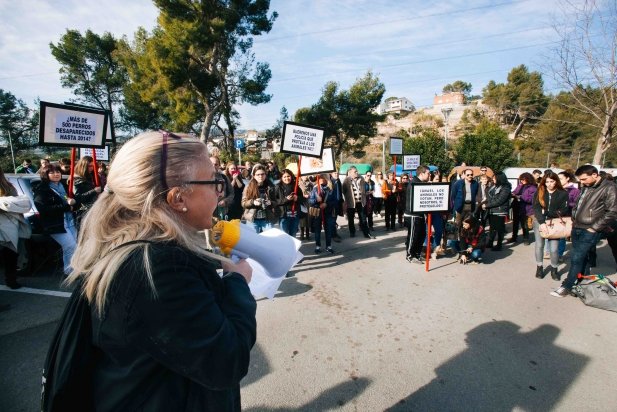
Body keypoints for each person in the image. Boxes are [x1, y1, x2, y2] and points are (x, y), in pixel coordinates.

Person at [62, 131, 255, 411]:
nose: (218, 191)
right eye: (214, 181)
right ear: (178, 199)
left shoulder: (138, 251)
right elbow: (226, 361)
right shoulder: (157, 269)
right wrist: (238, 282)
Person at [552, 165, 617, 297]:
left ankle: (567, 286)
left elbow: (613, 211)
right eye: (580, 180)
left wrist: (594, 228)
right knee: (583, 258)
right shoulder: (586, 186)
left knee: (576, 258)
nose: (581, 182)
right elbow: (579, 204)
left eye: (584, 179)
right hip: (577, 226)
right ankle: (581, 282)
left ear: (595, 175)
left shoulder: (609, 187)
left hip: (591, 229)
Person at [34, 164, 79, 275]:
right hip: (55, 224)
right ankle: (70, 272)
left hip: (69, 221)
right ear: (45, 175)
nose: (56, 174)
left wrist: (74, 202)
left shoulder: (64, 186)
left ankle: (70, 270)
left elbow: (72, 200)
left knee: (73, 247)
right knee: (70, 246)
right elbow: (43, 208)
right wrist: (66, 207)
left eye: (58, 172)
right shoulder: (42, 189)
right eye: (52, 172)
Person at [532, 171, 569, 280]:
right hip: (539, 221)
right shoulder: (539, 191)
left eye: (552, 181)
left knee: (554, 249)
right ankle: (539, 267)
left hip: (555, 223)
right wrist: (542, 222)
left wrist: (547, 212)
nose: (549, 184)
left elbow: (563, 210)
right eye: (547, 181)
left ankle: (554, 269)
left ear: (556, 181)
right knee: (539, 246)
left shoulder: (563, 193)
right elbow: (536, 208)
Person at [0, 167, 31, 289]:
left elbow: (20, 205)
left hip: (9, 226)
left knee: (11, 256)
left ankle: (11, 280)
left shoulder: (8, 186)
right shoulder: (8, 186)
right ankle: (11, 280)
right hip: (9, 226)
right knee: (10, 256)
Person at [405, 165, 431, 263]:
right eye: (428, 173)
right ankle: (410, 255)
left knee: (421, 235)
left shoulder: (420, 183)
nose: (430, 175)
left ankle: (417, 254)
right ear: (421, 173)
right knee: (413, 236)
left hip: (420, 214)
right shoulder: (414, 183)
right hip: (412, 215)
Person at [241, 165, 278, 233]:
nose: (260, 176)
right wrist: (253, 202)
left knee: (268, 240)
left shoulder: (270, 186)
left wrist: (270, 203)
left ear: (265, 175)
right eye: (258, 174)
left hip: (267, 219)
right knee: (253, 241)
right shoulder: (248, 186)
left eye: (262, 174)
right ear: (254, 176)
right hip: (252, 219)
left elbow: (275, 202)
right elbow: (243, 203)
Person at [482, 171, 512, 251]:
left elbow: (500, 201)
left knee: (499, 228)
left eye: (494, 178)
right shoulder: (494, 186)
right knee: (492, 227)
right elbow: (489, 195)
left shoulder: (505, 188)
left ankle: (499, 245)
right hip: (492, 210)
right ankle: (490, 242)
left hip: (500, 211)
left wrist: (487, 205)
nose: (493, 179)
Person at [309, 174, 337, 254]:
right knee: (317, 230)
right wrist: (316, 200)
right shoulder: (315, 189)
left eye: (322, 177)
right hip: (318, 213)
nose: (320, 179)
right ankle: (318, 246)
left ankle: (328, 246)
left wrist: (327, 204)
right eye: (319, 178)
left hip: (328, 213)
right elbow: (310, 201)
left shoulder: (331, 189)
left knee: (328, 230)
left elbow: (335, 201)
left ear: (326, 179)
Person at [342, 166, 373, 238]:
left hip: (361, 202)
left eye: (357, 171)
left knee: (363, 218)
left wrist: (365, 194)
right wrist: (347, 199)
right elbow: (343, 191)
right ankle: (352, 232)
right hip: (351, 203)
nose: (357, 173)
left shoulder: (361, 178)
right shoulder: (346, 180)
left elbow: (363, 189)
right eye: (355, 172)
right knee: (351, 219)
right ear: (350, 173)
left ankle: (366, 233)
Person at [72, 156, 102, 227]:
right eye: (89, 166)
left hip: (93, 208)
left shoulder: (91, 176)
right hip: (83, 211)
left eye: (93, 166)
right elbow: (78, 198)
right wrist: (94, 191)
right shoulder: (76, 179)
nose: (91, 168)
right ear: (83, 166)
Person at [509, 173, 537, 245]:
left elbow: (531, 200)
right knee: (515, 223)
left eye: (523, 179)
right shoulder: (520, 185)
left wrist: (520, 197)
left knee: (524, 224)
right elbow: (515, 192)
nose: (522, 181)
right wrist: (513, 194)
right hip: (516, 206)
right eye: (521, 179)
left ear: (528, 179)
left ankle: (526, 238)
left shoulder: (533, 188)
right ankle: (514, 237)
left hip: (525, 208)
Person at [275, 169, 303, 237]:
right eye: (284, 177)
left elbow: (302, 199)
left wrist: (297, 198)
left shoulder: (296, 186)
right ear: (281, 178)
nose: (287, 178)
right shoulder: (278, 187)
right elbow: (274, 201)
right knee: (284, 236)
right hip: (283, 215)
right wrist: (286, 199)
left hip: (295, 215)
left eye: (288, 176)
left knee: (293, 235)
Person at [210, 156, 234, 221]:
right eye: (210, 164)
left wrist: (225, 201)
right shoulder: (202, 179)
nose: (213, 166)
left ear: (219, 166)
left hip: (222, 213)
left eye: (216, 164)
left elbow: (231, 193)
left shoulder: (224, 178)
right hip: (208, 215)